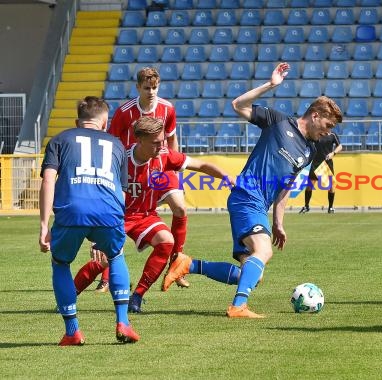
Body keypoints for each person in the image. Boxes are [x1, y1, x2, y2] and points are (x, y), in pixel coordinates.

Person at [164, 62, 343, 318]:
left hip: (259, 205)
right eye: (328, 125)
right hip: (247, 197)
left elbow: (285, 188)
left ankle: (189, 264)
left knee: (252, 275)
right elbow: (238, 105)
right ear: (315, 116)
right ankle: (238, 307)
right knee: (264, 251)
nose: (328, 132)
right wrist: (271, 85)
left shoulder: (309, 151)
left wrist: (278, 223)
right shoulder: (278, 122)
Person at [72, 116, 239, 313]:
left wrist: (225, 176)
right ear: (139, 140)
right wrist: (96, 233)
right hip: (117, 217)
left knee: (166, 241)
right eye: (156, 143)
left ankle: (137, 296)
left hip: (145, 215)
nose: (162, 146)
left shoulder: (165, 156)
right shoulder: (118, 159)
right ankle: (69, 296)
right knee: (104, 261)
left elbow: (200, 165)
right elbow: (97, 193)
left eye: (163, 141)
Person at [39, 96, 139, 345]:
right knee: (115, 256)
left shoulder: (60, 139)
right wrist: (112, 229)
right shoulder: (117, 145)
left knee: (60, 263)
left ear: (77, 121)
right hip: (109, 211)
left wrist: (43, 225)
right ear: (105, 122)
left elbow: (48, 180)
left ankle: (73, 331)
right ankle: (123, 323)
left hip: (72, 210)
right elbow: (122, 191)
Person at [86, 66, 190, 292]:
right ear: (138, 88)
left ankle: (176, 262)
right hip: (130, 170)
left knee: (180, 208)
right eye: (147, 88)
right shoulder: (125, 112)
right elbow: (111, 144)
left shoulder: (167, 109)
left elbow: (171, 141)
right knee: (118, 217)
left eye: (155, 87)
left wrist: (176, 175)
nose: (151, 92)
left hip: (161, 167)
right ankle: (106, 277)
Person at [298, 133, 342, 214]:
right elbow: (306, 143)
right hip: (316, 163)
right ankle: (306, 206)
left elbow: (340, 146)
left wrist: (333, 153)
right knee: (309, 186)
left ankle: (331, 207)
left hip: (327, 163)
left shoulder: (332, 135)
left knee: (331, 186)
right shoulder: (316, 133)